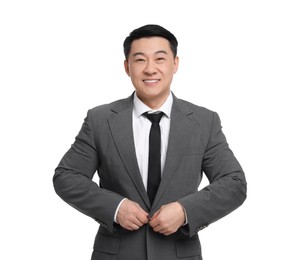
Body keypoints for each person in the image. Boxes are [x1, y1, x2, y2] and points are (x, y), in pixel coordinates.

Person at [53, 24, 247, 260]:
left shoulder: (204, 122)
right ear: (127, 67)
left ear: (175, 64)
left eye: (160, 59)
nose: (150, 69)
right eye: (140, 60)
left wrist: (185, 211)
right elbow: (67, 176)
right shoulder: (100, 120)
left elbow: (234, 183)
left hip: (179, 254)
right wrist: (115, 207)